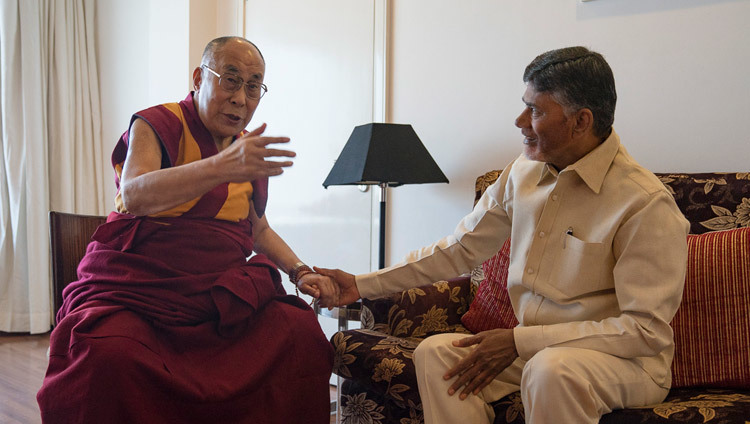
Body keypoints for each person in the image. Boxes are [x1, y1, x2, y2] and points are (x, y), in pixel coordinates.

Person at [315, 46, 689, 424]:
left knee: (551, 369)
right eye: (524, 105)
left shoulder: (644, 203)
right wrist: (362, 285)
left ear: (581, 121)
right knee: (438, 354)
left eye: (537, 110)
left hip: (624, 363)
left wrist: (518, 341)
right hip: (534, 348)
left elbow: (644, 331)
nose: (519, 120)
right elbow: (459, 249)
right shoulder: (521, 173)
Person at [37, 36, 336, 423]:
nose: (240, 98)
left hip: (216, 295)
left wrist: (300, 270)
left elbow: (258, 231)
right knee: (109, 355)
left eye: (253, 86)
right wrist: (223, 166)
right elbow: (133, 195)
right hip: (139, 289)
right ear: (198, 77)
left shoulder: (244, 150)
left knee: (300, 334)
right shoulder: (157, 123)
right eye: (230, 80)